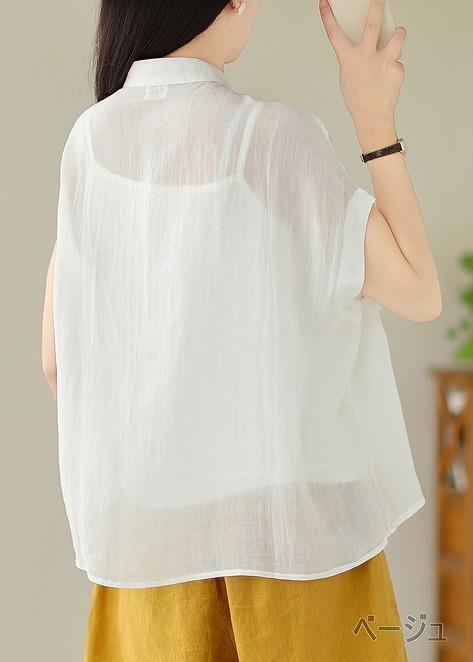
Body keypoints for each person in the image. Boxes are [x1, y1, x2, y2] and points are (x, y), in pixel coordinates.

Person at [41, 0, 441, 659]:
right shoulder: (274, 138)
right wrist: (374, 117)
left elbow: (60, 361)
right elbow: (419, 291)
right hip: (295, 543)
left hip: (154, 552)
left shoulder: (89, 143)